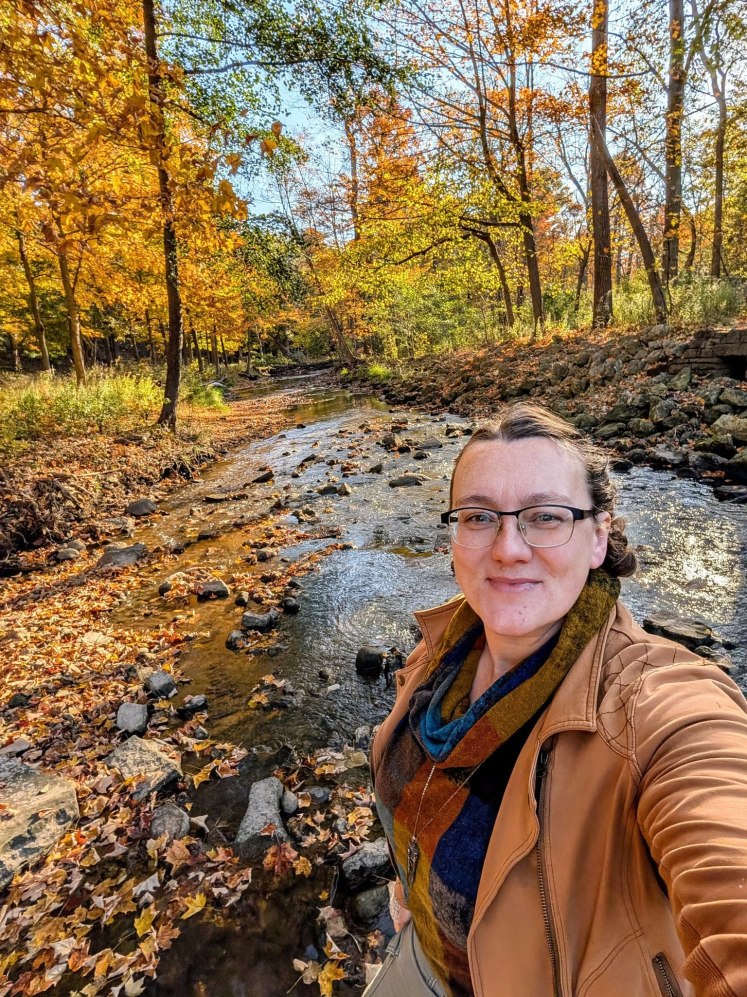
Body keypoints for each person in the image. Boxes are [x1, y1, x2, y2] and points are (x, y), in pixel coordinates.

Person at [366, 402, 747, 997]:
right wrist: (408, 890)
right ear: (454, 535)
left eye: (545, 517)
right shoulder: (438, 654)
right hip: (423, 960)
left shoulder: (654, 708)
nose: (508, 548)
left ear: (598, 537)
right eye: (478, 517)